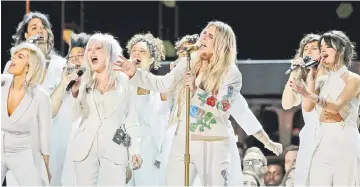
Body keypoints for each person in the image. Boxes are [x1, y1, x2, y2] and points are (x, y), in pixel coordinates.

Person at [69, 33, 142, 185]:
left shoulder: (125, 82)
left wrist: (134, 150)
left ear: (110, 53)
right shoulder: (83, 80)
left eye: (98, 48)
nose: (92, 53)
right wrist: (75, 93)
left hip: (115, 148)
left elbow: (131, 119)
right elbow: (74, 116)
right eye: (89, 49)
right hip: (85, 149)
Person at [291, 30, 360, 185]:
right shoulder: (322, 81)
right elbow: (308, 107)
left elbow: (336, 107)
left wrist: (308, 94)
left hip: (345, 140)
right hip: (323, 140)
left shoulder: (353, 79)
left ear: (341, 51)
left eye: (328, 47)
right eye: (321, 47)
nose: (322, 50)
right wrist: (311, 78)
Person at [1, 42, 51, 185]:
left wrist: (45, 168)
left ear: (29, 66)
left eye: (19, 56)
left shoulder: (41, 96)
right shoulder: (2, 82)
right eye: (13, 55)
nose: (12, 59)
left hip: (23, 152)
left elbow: (45, 136)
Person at [281, 33, 327, 185]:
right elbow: (286, 104)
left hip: (328, 133)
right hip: (309, 137)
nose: (308, 52)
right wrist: (295, 72)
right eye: (306, 49)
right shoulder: (302, 79)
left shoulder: (331, 75)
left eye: (314, 48)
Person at [125, 32, 168, 186]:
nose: (136, 54)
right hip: (124, 153)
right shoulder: (120, 86)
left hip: (150, 157)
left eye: (142, 52)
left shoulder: (160, 90)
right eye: (134, 51)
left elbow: (166, 126)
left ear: (151, 59)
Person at [48, 33, 90, 186]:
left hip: (82, 162)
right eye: (71, 56)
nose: (75, 58)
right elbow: (49, 112)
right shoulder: (62, 87)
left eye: (80, 55)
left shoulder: (96, 88)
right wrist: (64, 82)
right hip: (58, 157)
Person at [3, 11, 66, 95]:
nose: (40, 31)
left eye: (43, 28)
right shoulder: (12, 65)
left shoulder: (60, 64)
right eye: (34, 28)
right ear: (26, 36)